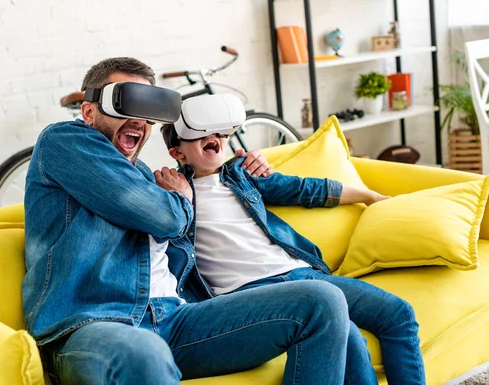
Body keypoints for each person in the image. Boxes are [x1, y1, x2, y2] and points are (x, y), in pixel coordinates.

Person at [23, 57, 354, 385]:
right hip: (96, 324)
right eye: (125, 105)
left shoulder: (146, 177)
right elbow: (166, 218)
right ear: (89, 111)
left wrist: (245, 173)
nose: (138, 120)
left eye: (148, 112)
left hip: (176, 318)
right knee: (145, 352)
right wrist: (182, 198)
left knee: (322, 301)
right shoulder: (63, 142)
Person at [159, 118, 426, 385]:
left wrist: (370, 196)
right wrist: (179, 199)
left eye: (217, 130)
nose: (211, 135)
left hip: (302, 274)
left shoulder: (243, 173)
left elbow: (302, 189)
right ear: (177, 153)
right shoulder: (169, 194)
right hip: (251, 294)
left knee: (399, 314)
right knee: (350, 337)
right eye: (197, 133)